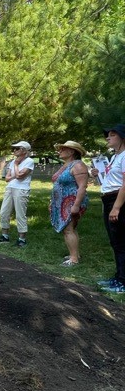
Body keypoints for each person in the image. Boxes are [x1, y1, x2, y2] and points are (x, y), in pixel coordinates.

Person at [92, 124, 125, 292]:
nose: (108, 137)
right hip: (109, 199)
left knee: (121, 241)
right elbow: (110, 181)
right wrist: (98, 176)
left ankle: (123, 282)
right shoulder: (115, 157)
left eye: (112, 135)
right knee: (115, 241)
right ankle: (118, 277)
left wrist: (117, 207)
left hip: (117, 200)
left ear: (122, 137)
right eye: (108, 135)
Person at [50, 141, 89, 266]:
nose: (59, 151)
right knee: (71, 228)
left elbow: (82, 186)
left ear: (72, 151)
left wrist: (76, 205)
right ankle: (74, 254)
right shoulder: (67, 165)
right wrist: (52, 202)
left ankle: (74, 259)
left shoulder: (78, 165)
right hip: (62, 202)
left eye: (62, 149)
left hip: (72, 202)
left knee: (68, 229)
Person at [0, 141, 35, 247]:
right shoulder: (12, 162)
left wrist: (16, 165)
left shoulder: (29, 161)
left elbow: (20, 176)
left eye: (17, 148)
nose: (14, 151)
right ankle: (5, 236)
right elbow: (7, 178)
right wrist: (16, 173)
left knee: (20, 214)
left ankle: (22, 239)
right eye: (14, 149)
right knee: (4, 212)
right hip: (10, 188)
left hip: (21, 189)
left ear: (24, 150)